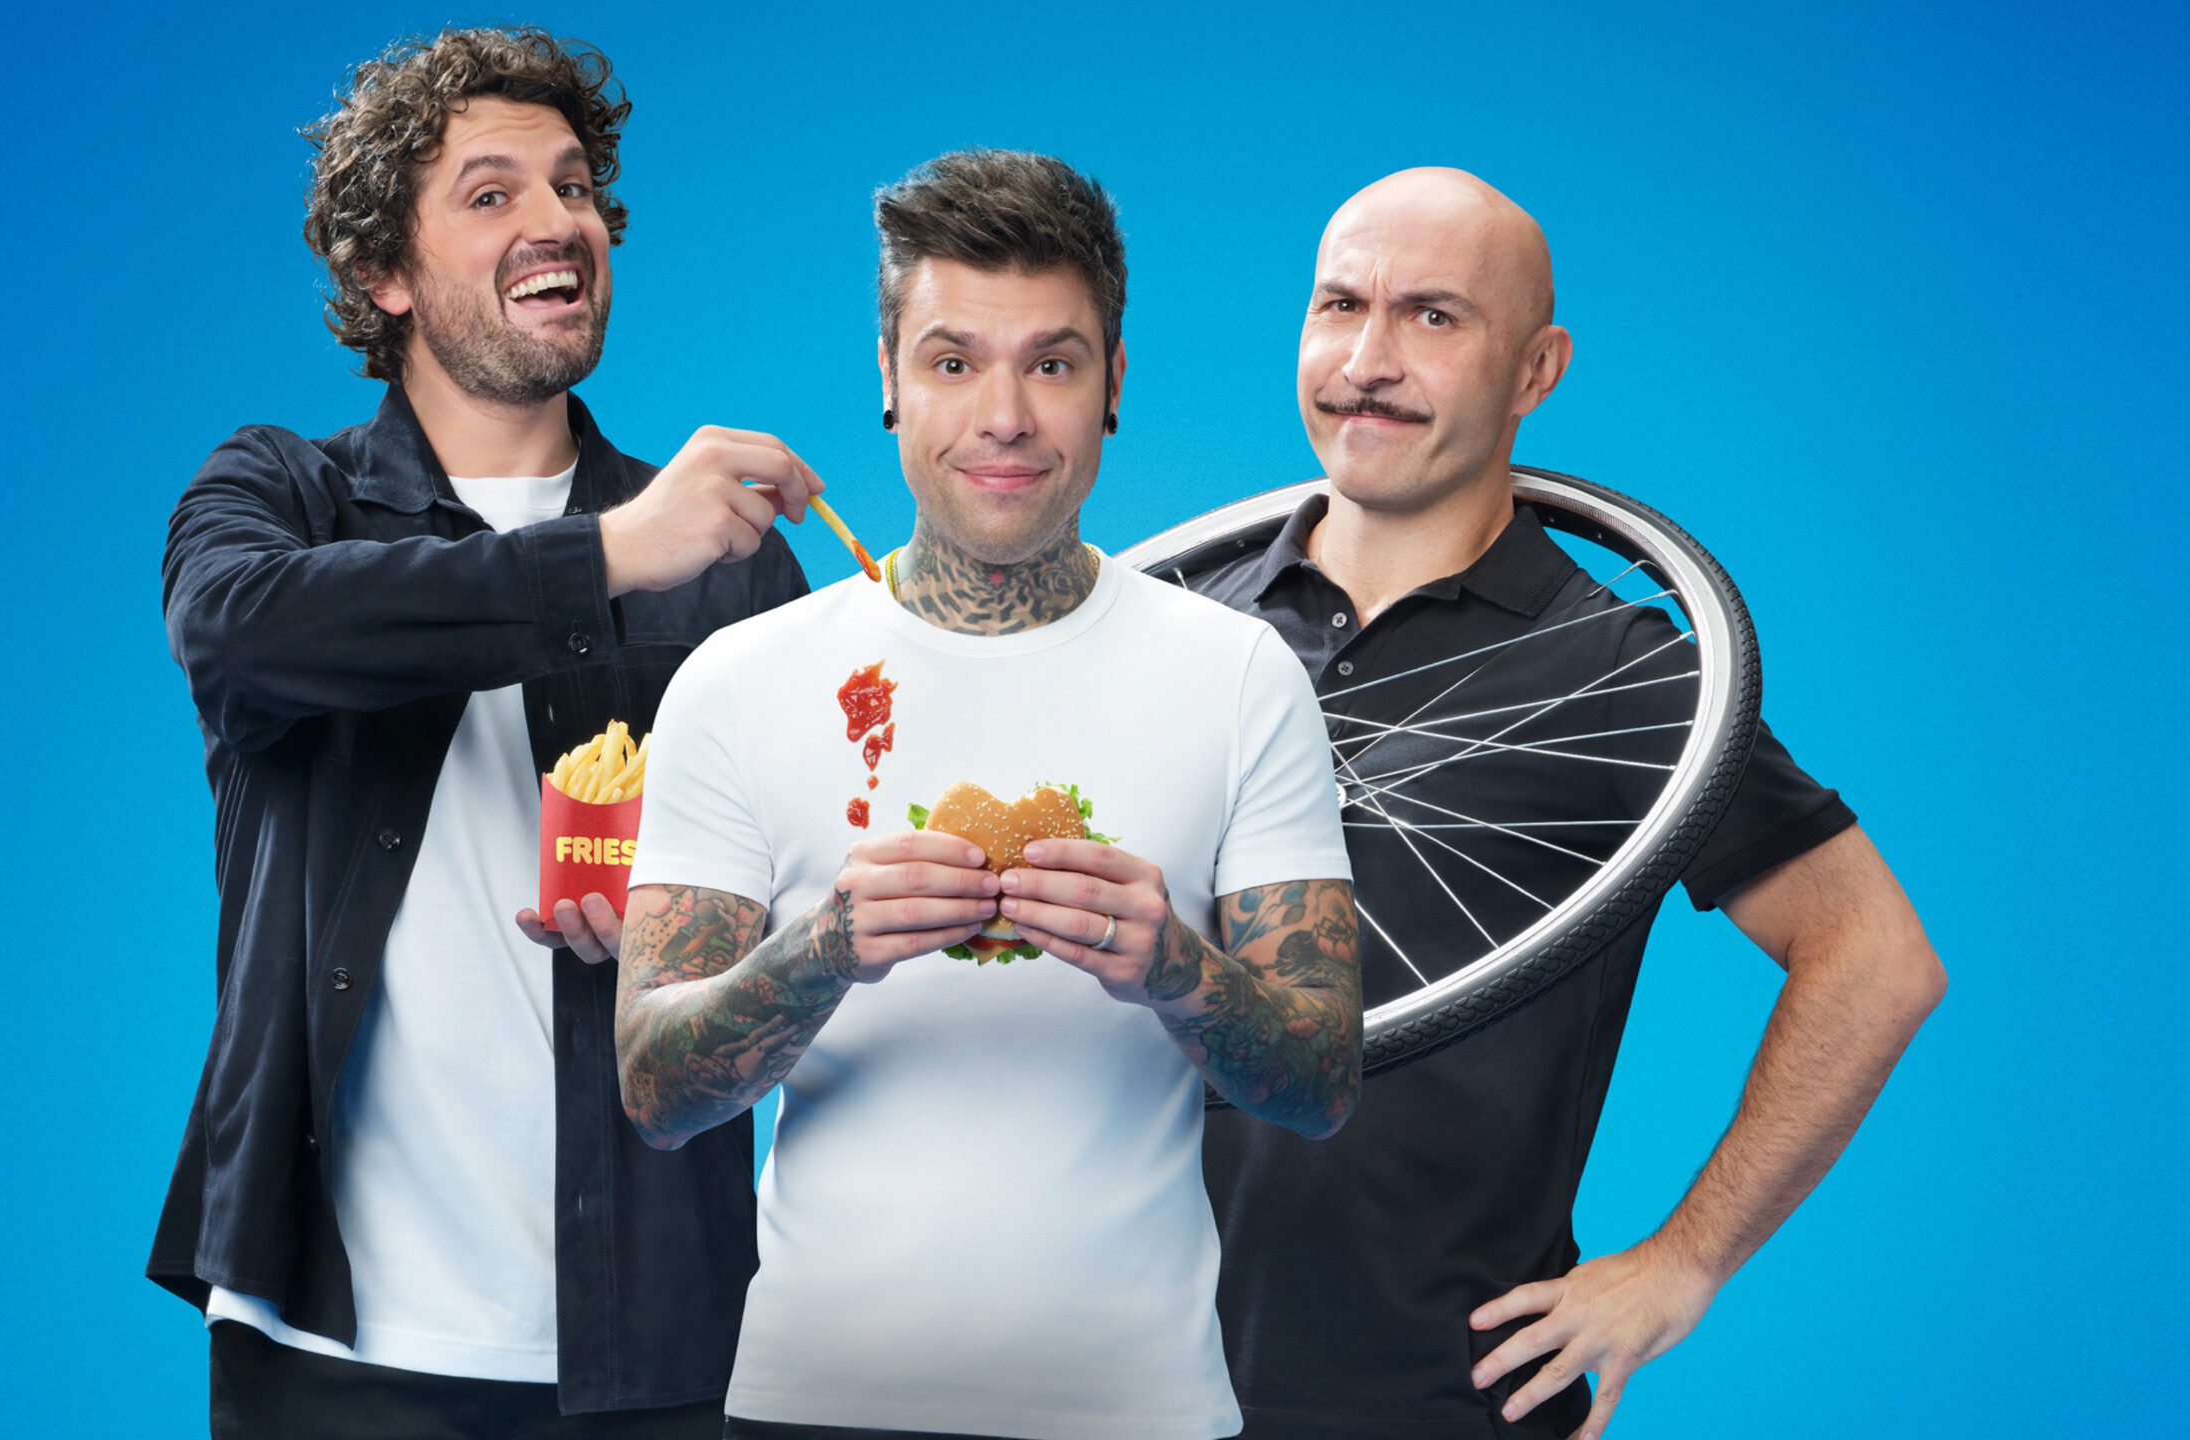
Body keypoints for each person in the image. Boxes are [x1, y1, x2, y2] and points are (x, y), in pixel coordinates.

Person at [1185, 167, 1950, 1440]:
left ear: (1534, 370)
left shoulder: (1617, 670)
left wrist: (1683, 1261)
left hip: (1432, 1400)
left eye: (1433, 316)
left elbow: (1876, 958)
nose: (1367, 362)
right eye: (1341, 306)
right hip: (1108, 1376)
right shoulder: (1176, 630)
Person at [611, 150, 1363, 1440]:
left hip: (1140, 1410)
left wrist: (1174, 966)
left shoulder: (1239, 676)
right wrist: (822, 950)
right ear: (890, 383)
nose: (1003, 416)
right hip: (816, 1404)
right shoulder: (740, 680)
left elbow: (1321, 1081)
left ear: (1112, 384)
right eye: (953, 362)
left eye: (1051, 365)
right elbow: (655, 1092)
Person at [147, 27, 823, 1438]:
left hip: (664, 1341)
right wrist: (612, 555)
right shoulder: (279, 494)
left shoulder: (736, 565)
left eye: (574, 186)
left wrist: (704, 938)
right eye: (492, 192)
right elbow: (240, 637)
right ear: (382, 275)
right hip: (327, 1344)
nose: (557, 219)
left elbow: (811, 907)